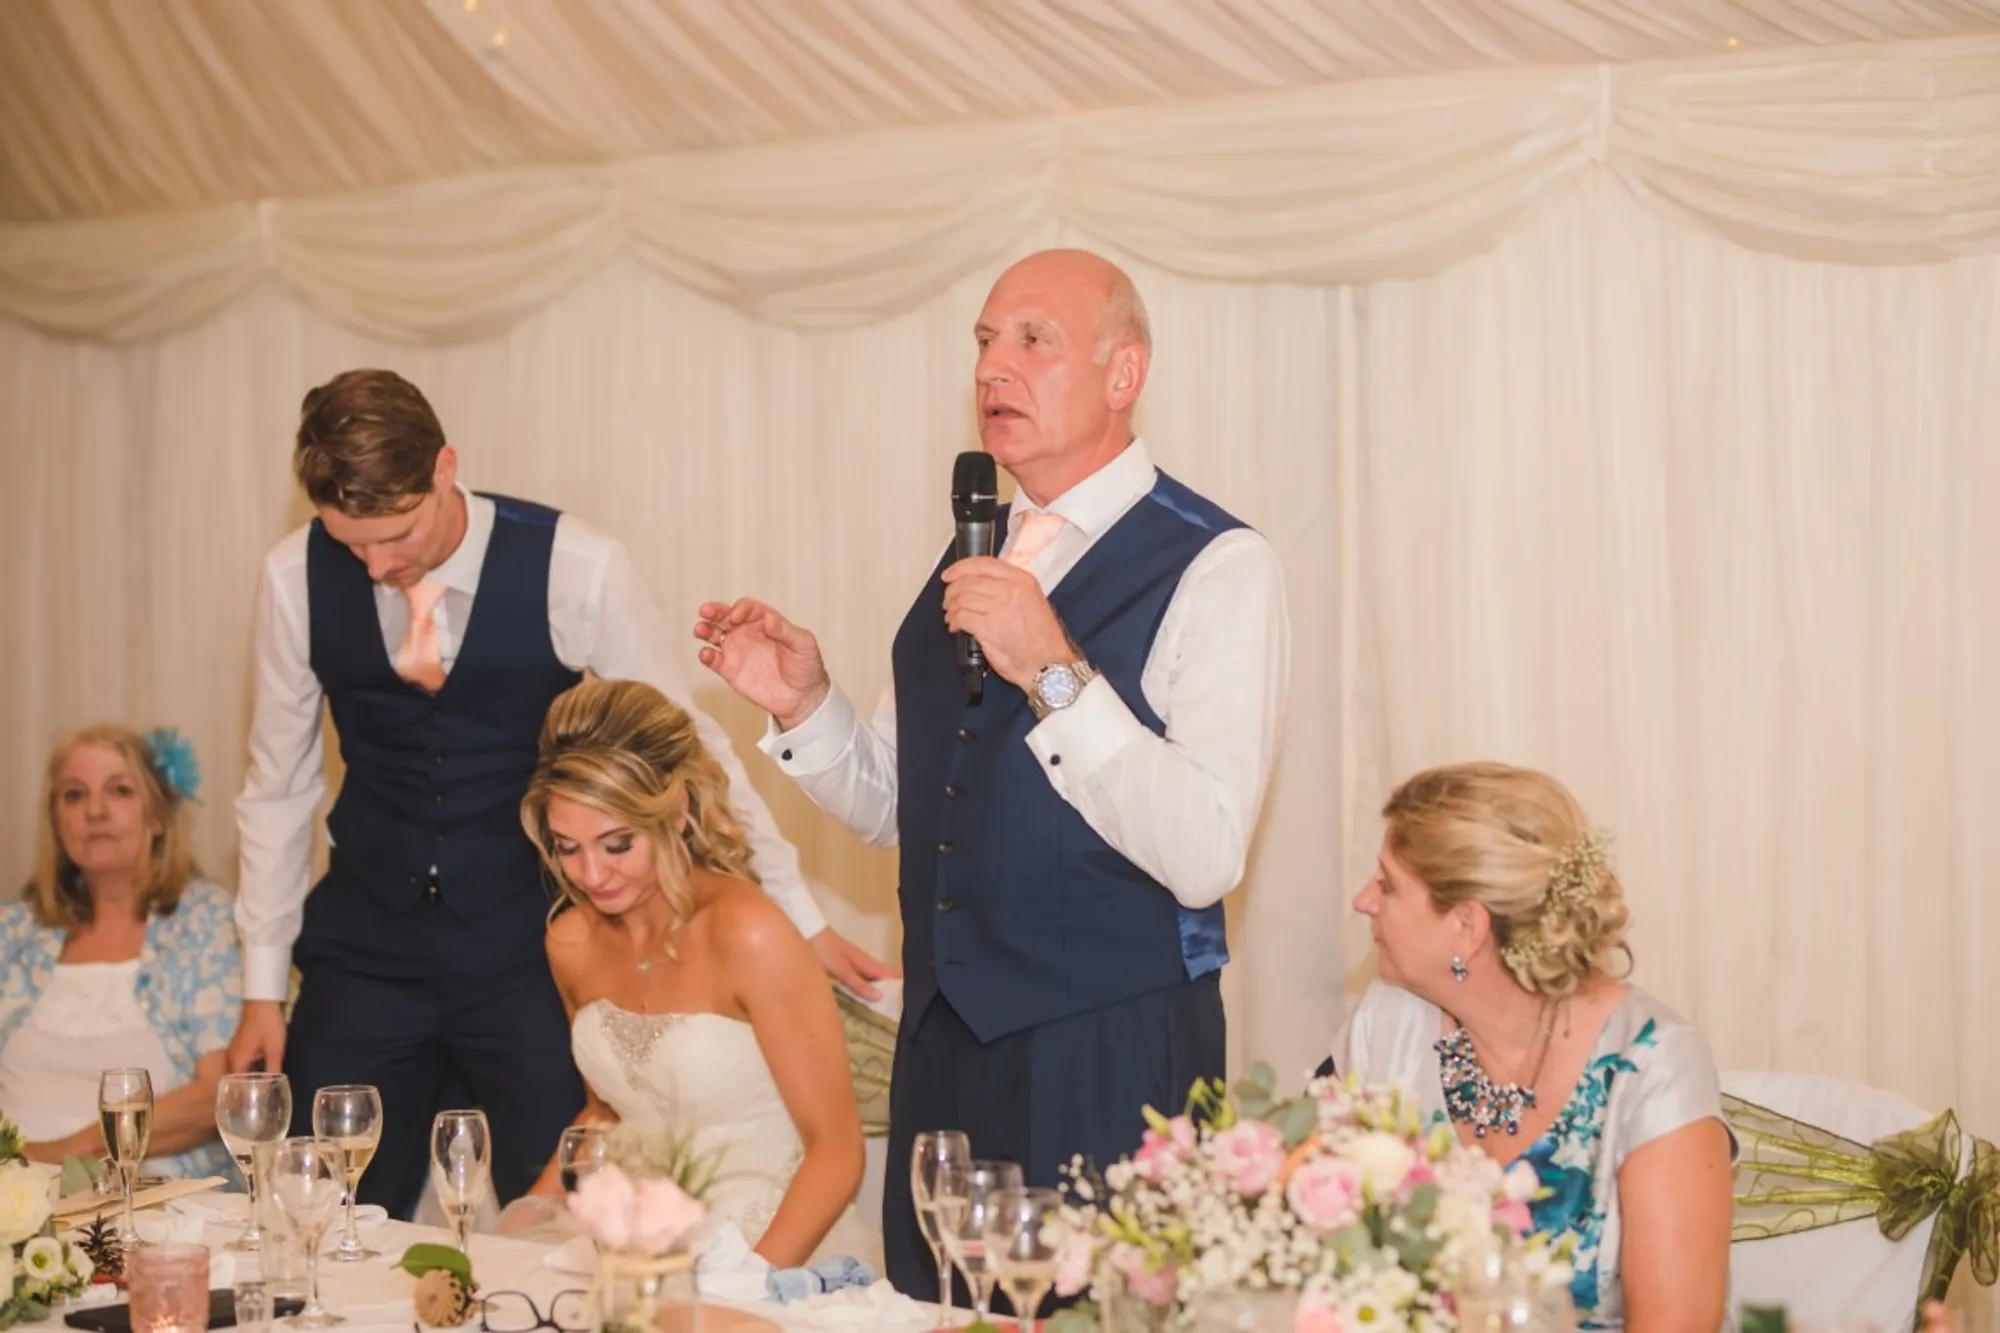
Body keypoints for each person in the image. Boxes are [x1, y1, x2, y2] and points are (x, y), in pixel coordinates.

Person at [693, 248, 1290, 1298]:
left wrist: (1053, 669)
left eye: (1032, 340)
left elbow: (1204, 850)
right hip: (944, 1049)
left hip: (1108, 1055)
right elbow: (904, 804)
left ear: (1123, 373)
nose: (991, 369)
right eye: (982, 341)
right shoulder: (974, 545)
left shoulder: (1219, 565)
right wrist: (806, 703)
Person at [227, 368, 891, 1217]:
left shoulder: (575, 564)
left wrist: (798, 912)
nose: (378, 565)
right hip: (366, 949)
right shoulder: (292, 577)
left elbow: (690, 741)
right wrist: (260, 987)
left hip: (528, 947)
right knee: (316, 1209)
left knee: (563, 1214)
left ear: (444, 469)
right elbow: (277, 786)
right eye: (351, 545)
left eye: (396, 534)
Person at [1330, 761, 1732, 1332]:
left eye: (1388, 885)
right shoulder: (1386, 1024)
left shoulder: (1652, 1064)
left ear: (1467, 926)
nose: (1363, 900)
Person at [511, 678, 870, 1267]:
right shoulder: (571, 941)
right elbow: (606, 1114)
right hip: (637, 1250)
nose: (591, 875)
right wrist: (519, 1226)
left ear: (675, 814)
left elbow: (837, 1152)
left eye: (617, 844)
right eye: (568, 848)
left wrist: (747, 1286)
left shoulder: (749, 934)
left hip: (774, 1249)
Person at [0, 726, 239, 1178]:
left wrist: (64, 1154)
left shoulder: (202, 919)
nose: (94, 810)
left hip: (146, 1190)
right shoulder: (13, 930)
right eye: (74, 795)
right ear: (56, 821)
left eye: (120, 791)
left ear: (158, 817)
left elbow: (218, 1095)